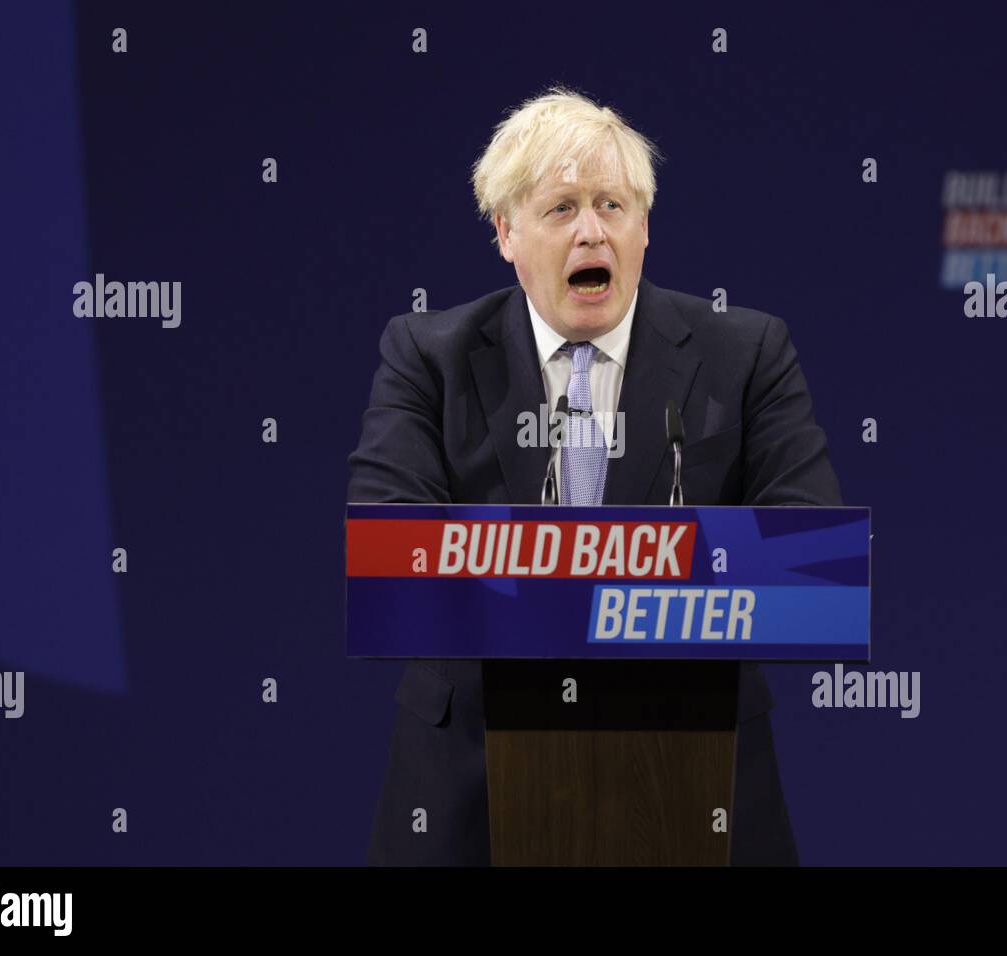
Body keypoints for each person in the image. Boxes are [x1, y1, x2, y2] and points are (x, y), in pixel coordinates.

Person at [347, 86, 843, 865]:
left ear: (644, 227)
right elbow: (394, 564)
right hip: (470, 787)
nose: (592, 230)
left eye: (613, 205)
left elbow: (807, 562)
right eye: (561, 208)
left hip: (694, 776)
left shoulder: (745, 353)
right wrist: (636, 574)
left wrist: (568, 573)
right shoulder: (427, 356)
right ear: (506, 232)